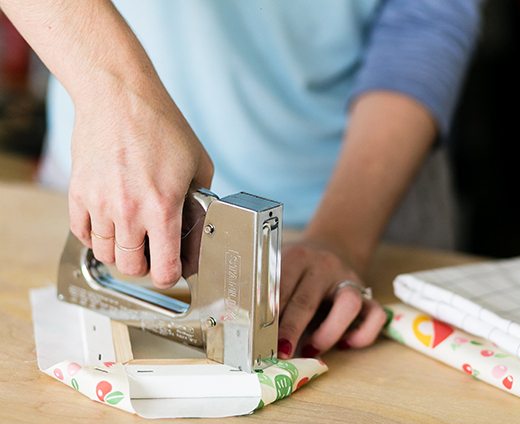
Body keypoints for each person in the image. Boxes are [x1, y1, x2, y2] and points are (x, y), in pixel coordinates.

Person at [0, 1, 481, 359]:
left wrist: (341, 237)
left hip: (365, 205)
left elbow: (426, 17)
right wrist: (118, 100)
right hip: (107, 183)